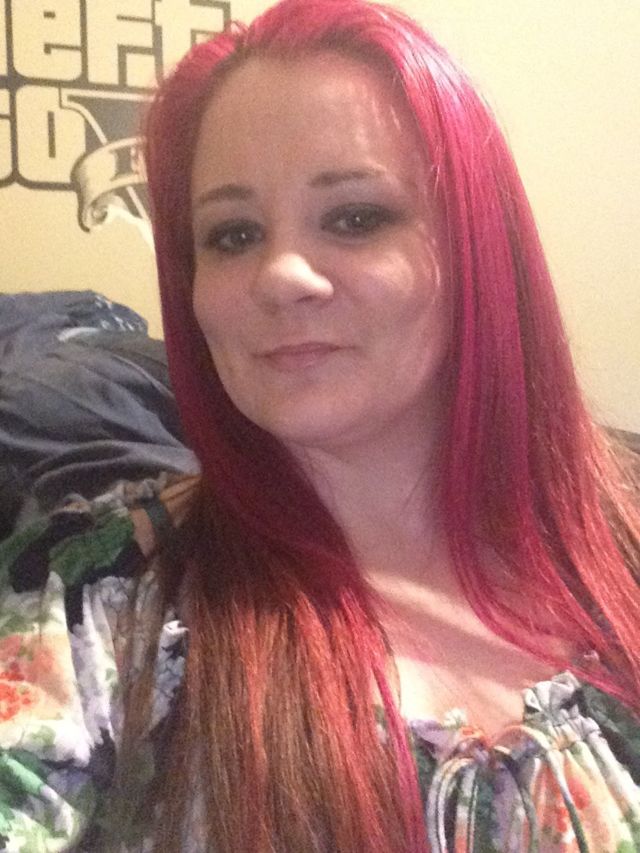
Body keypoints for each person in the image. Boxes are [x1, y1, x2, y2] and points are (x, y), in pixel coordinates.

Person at [1, 0, 640, 849]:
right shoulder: (88, 609)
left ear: (476, 249)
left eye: (355, 217)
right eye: (233, 234)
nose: (282, 275)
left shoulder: (620, 545)